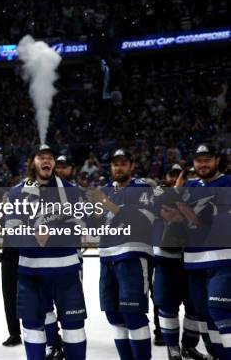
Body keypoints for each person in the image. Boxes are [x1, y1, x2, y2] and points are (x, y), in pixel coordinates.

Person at [8, 145, 87, 360]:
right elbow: (11, 233)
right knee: (32, 326)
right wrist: (34, 235)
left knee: (74, 326)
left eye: (50, 157)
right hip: (30, 273)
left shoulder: (72, 191)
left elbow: (82, 226)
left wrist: (53, 232)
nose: (47, 161)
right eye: (41, 157)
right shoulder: (16, 193)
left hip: (66, 271)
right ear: (32, 162)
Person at [86, 149, 155, 360]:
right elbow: (93, 229)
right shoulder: (106, 190)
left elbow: (141, 221)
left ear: (131, 166)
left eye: (123, 163)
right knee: (114, 316)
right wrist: (96, 212)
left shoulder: (142, 188)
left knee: (133, 315)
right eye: (115, 164)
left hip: (133, 256)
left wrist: (106, 204)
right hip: (107, 258)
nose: (119, 167)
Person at [152, 164, 212, 360]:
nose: (178, 178)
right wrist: (178, 191)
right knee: (166, 305)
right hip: (166, 260)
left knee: (194, 307)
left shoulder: (198, 195)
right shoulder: (159, 190)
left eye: (183, 175)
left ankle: (189, 345)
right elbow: (160, 204)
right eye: (173, 174)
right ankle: (173, 349)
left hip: (192, 261)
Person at [178, 144, 231, 359]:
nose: (203, 164)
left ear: (217, 160)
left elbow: (215, 222)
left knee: (220, 311)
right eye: (199, 160)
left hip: (224, 261)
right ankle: (218, 355)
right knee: (206, 314)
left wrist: (186, 212)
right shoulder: (189, 186)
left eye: (207, 159)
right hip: (194, 263)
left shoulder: (228, 182)